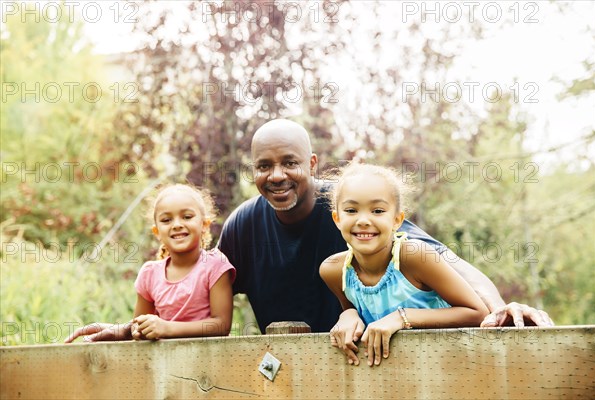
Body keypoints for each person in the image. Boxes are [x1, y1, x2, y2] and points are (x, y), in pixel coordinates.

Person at [218, 118, 553, 335]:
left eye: (290, 162)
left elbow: (448, 263)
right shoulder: (242, 227)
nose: (277, 176)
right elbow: (203, 289)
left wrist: (498, 312)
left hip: (373, 370)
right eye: (264, 166)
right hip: (290, 374)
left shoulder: (353, 206)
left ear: (312, 163)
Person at [319, 163, 488, 367]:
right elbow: (356, 314)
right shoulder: (334, 271)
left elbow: (477, 312)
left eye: (378, 210)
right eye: (351, 210)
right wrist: (348, 315)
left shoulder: (414, 256)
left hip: (452, 365)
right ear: (337, 218)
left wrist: (402, 317)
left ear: (397, 219)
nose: (363, 220)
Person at [65, 184, 235, 342]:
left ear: (204, 224)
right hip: (161, 367)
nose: (177, 225)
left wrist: (167, 328)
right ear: (157, 232)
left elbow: (221, 325)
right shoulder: (150, 273)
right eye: (166, 220)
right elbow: (138, 329)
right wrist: (113, 330)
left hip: (209, 365)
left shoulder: (215, 265)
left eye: (187, 216)